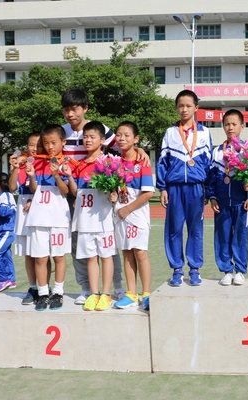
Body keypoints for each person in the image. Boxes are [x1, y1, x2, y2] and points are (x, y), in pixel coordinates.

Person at [61, 88, 134, 304]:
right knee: (79, 245)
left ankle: (117, 287)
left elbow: (123, 146)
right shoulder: (62, 132)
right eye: (66, 110)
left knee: (107, 245)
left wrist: (137, 152)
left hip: (100, 194)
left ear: (85, 108)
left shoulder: (99, 129)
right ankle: (86, 289)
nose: (70, 114)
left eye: (75, 109)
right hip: (74, 193)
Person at [157, 90, 212, 287]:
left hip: (197, 188)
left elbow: (209, 163)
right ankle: (177, 269)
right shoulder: (170, 133)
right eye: (181, 106)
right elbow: (162, 161)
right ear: (176, 108)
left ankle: (195, 268)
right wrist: (162, 187)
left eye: (188, 106)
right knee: (174, 229)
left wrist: (208, 188)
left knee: (196, 230)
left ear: (196, 108)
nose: (184, 109)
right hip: (175, 187)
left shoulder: (205, 133)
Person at [67, 121, 117, 311]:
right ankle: (93, 294)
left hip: (103, 220)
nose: (87, 140)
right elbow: (75, 191)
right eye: (85, 137)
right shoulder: (79, 165)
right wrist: (70, 176)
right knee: (90, 257)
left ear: (102, 140)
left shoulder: (108, 163)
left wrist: (114, 193)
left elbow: (115, 189)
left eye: (92, 137)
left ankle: (106, 294)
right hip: (85, 219)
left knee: (106, 257)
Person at [25, 124, 74, 311]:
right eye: (46, 143)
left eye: (54, 142)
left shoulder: (66, 163)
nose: (50, 146)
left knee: (59, 257)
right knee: (40, 258)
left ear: (63, 142)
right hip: (38, 217)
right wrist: (31, 177)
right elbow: (34, 190)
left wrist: (57, 175)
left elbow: (66, 191)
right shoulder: (37, 162)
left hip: (58, 218)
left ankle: (58, 292)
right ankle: (43, 292)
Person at [207, 110, 248, 286]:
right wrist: (212, 196)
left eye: (234, 124)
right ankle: (226, 270)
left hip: (241, 203)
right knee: (222, 237)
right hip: (222, 204)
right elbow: (211, 178)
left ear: (242, 127)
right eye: (227, 124)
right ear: (223, 126)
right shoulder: (216, 152)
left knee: (241, 237)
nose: (230, 127)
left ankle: (240, 271)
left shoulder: (247, 150)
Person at [112, 122, 155, 310]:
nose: (122, 139)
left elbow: (148, 193)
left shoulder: (142, 162)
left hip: (136, 214)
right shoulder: (114, 163)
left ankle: (146, 294)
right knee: (127, 253)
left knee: (140, 253)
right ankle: (131, 293)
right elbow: (112, 189)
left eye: (127, 135)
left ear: (136, 139)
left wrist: (127, 209)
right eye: (119, 135)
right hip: (119, 215)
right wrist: (111, 196)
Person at [8, 133, 50, 305]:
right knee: (28, 254)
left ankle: (44, 288)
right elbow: (11, 187)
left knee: (42, 254)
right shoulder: (22, 163)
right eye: (32, 145)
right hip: (23, 213)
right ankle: (33, 287)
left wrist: (34, 201)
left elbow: (44, 190)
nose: (35, 148)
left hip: (41, 210)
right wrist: (15, 168)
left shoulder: (46, 164)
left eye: (39, 145)